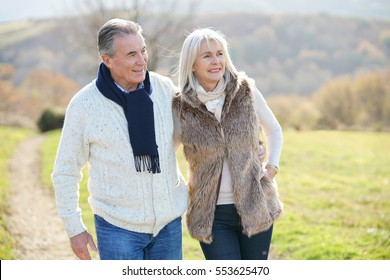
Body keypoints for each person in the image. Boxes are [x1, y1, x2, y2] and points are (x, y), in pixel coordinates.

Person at [51, 18, 188, 260]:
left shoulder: (165, 89)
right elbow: (65, 171)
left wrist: (252, 145)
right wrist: (74, 228)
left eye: (144, 50)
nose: (142, 60)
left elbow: (195, 133)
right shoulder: (84, 105)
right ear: (107, 60)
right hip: (117, 229)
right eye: (132, 54)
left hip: (168, 225)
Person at [172, 28, 283, 260]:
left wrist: (271, 168)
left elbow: (273, 129)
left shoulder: (246, 91)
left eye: (220, 53)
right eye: (207, 56)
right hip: (211, 215)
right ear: (192, 64)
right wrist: (185, 190)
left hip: (255, 204)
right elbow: (167, 153)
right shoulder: (181, 106)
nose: (216, 61)